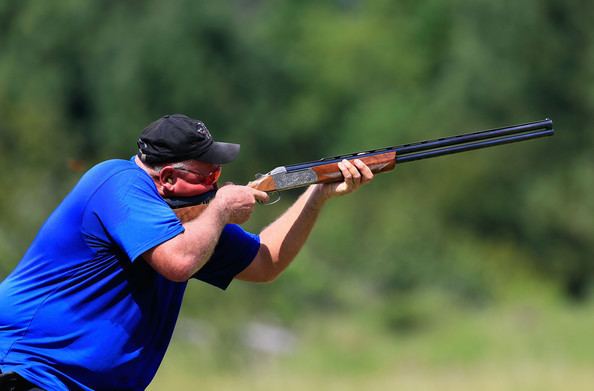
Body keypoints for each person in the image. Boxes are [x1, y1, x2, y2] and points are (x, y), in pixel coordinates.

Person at [0, 114, 374, 390]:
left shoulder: (190, 224)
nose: (218, 179)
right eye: (208, 175)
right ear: (168, 179)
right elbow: (178, 262)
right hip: (27, 373)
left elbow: (266, 261)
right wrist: (222, 209)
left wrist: (316, 194)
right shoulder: (117, 182)